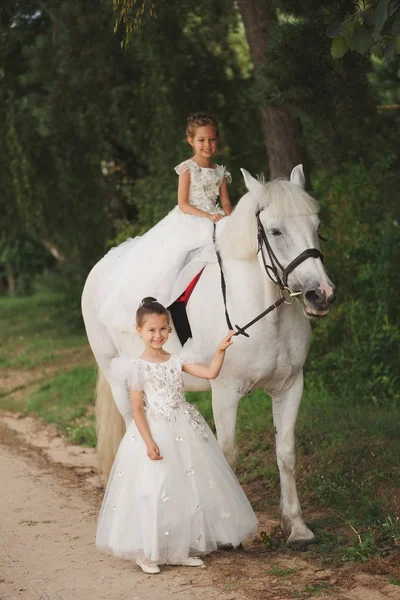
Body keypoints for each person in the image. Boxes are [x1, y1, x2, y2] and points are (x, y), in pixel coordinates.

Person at [96, 297, 258, 574]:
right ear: (139, 331)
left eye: (163, 329)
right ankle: (148, 553)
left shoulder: (176, 361)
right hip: (154, 431)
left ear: (169, 329)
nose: (157, 335)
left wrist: (220, 349)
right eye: (151, 330)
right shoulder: (137, 366)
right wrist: (148, 441)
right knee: (156, 489)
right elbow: (136, 408)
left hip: (183, 428)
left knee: (186, 487)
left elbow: (209, 373)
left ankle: (180, 549)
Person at [96, 113, 233, 334]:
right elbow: (183, 204)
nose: (207, 145)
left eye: (212, 139)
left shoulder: (220, 171)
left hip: (218, 219)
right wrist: (208, 217)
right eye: (201, 140)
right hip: (192, 220)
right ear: (191, 141)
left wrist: (228, 218)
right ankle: (176, 306)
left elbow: (226, 202)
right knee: (178, 260)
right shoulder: (188, 168)